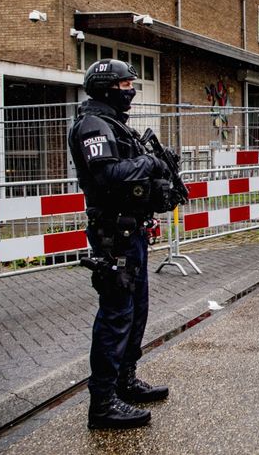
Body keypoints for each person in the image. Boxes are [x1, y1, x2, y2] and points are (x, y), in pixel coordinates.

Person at [68, 58, 171, 429]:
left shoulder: (113, 124)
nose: (132, 91)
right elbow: (108, 174)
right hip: (113, 236)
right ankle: (103, 402)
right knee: (115, 316)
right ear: (107, 87)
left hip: (131, 230)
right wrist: (151, 165)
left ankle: (125, 381)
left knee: (135, 309)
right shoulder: (93, 125)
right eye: (126, 85)